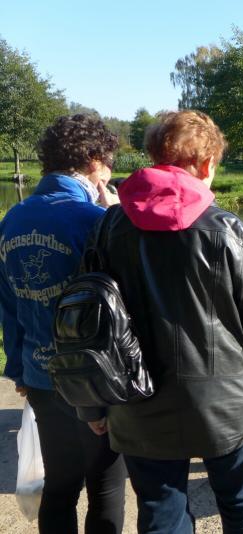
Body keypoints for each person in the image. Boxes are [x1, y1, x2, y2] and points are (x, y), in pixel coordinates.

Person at [79, 110, 243, 534]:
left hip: (135, 399)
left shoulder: (108, 225)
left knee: (161, 511)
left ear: (155, 157)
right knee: (242, 504)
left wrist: (93, 404)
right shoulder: (226, 229)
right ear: (206, 165)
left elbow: (88, 321)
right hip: (223, 405)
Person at [0, 114, 125, 533]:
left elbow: (9, 305)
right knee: (105, 484)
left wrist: (18, 367)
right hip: (93, 380)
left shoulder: (12, 220)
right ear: (93, 160)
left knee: (60, 483)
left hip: (40, 373)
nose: (108, 174)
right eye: (107, 164)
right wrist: (116, 217)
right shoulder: (93, 219)